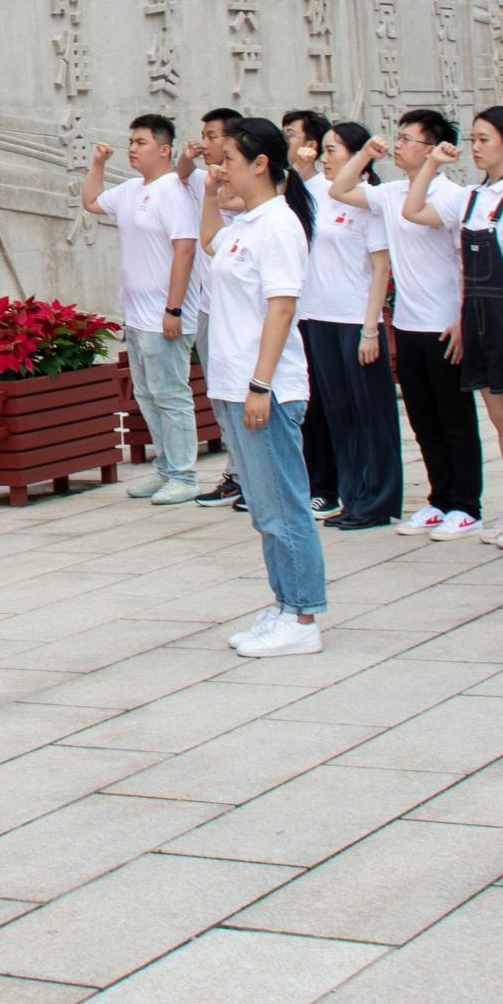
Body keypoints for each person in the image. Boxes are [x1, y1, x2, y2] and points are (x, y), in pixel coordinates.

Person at [196, 118, 328, 657]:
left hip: (264, 389)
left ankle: (303, 616)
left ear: (260, 164)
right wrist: (210, 195)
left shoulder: (278, 225)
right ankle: (284, 603)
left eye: (227, 158)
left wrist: (260, 385)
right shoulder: (245, 224)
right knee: (263, 509)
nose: (219, 166)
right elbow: (210, 243)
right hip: (233, 386)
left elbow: (282, 308)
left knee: (283, 508)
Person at [339, 112, 484, 538]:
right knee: (423, 420)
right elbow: (340, 188)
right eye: (397, 138)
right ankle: (440, 499)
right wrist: (365, 153)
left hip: (444, 324)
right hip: (407, 323)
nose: (398, 145)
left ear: (432, 148)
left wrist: (462, 318)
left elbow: (466, 261)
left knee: (454, 419)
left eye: (407, 139)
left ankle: (467, 504)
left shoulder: (453, 195)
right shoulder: (391, 193)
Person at [423, 106, 503, 548]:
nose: (475, 148)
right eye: (473, 140)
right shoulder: (473, 196)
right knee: (501, 420)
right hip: (477, 317)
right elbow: (414, 210)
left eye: (484, 140)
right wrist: (432, 163)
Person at [82, 115, 202, 503]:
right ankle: (166, 468)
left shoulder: (174, 191)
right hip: (136, 315)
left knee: (171, 395)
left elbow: (185, 250)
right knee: (148, 395)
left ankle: (184, 475)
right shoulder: (131, 190)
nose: (132, 148)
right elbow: (91, 202)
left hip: (164, 316)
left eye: (141, 142)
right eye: (130, 141)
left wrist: (174, 309)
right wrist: (98, 164)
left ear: (164, 149)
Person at [303, 122, 406, 530]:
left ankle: (377, 500)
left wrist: (370, 329)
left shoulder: (367, 201)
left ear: (356, 155)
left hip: (355, 320)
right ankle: (352, 496)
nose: (324, 158)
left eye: (333, 151)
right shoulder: (321, 197)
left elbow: (381, 269)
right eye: (324, 150)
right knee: (339, 413)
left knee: (369, 414)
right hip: (320, 317)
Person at [282, 110, 345, 521]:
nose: (284, 141)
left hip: (327, 311)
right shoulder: (286, 189)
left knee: (324, 405)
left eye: (291, 135)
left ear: (311, 146)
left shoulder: (328, 190)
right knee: (303, 403)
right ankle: (309, 483)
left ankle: (328, 487)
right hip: (298, 311)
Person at [182, 107, 246, 509]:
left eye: (212, 136)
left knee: (244, 393)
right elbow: (181, 173)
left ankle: (250, 475)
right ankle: (237, 473)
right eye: (202, 135)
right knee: (220, 395)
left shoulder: (249, 185)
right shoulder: (204, 179)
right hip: (209, 305)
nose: (205, 143)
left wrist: (219, 186)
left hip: (238, 308)